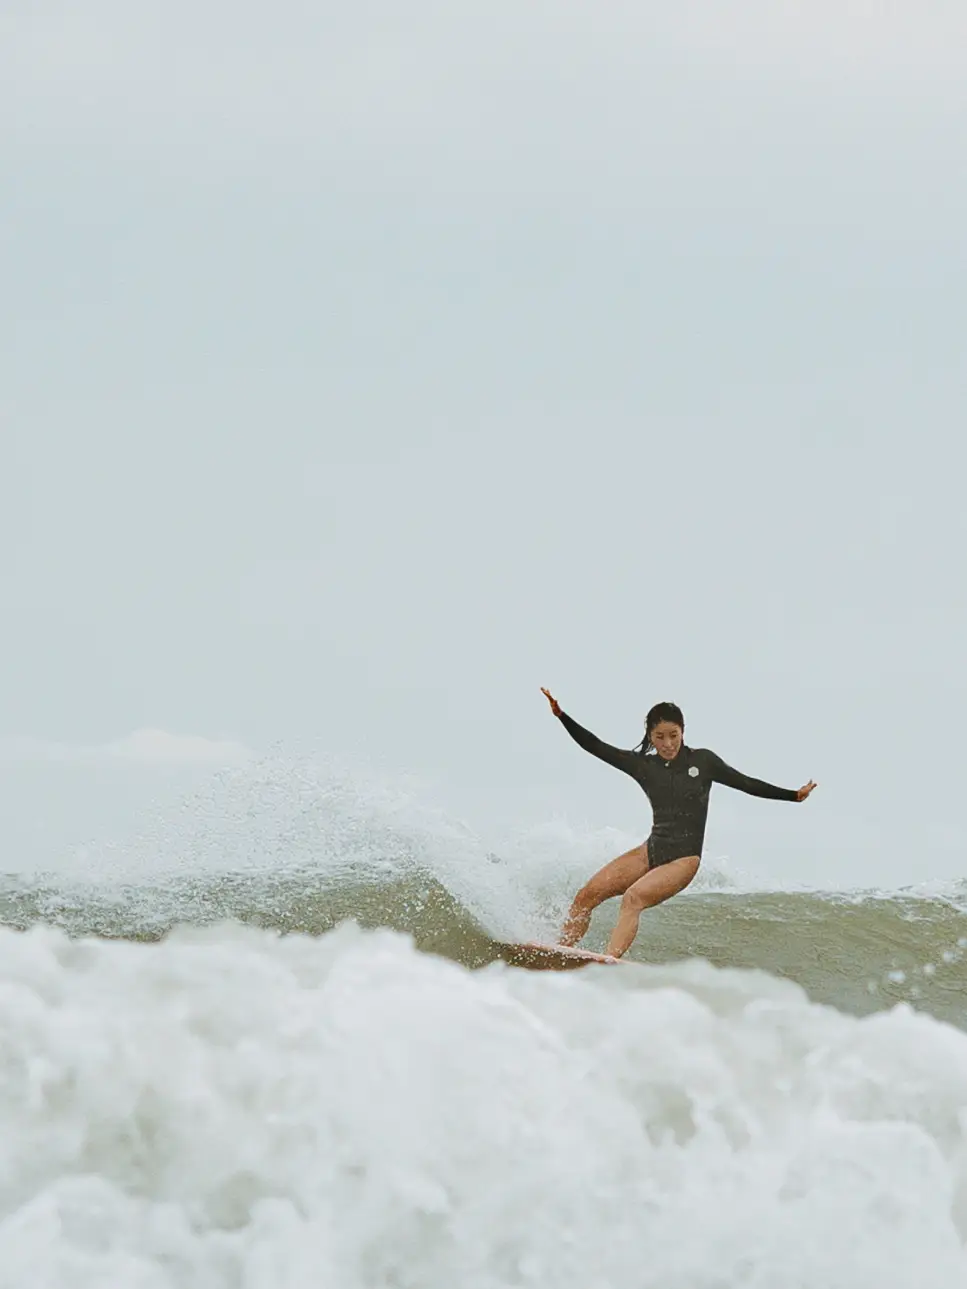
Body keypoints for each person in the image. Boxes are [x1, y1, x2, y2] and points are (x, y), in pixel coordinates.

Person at [540, 689, 816, 958]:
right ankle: (559, 954)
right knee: (586, 896)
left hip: (684, 859)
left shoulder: (703, 761)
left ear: (683, 731)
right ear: (650, 736)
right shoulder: (642, 765)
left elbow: (746, 783)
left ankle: (609, 962)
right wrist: (562, 716)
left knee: (633, 898)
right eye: (660, 737)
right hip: (652, 850)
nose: (668, 743)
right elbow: (597, 746)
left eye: (674, 735)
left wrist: (792, 796)